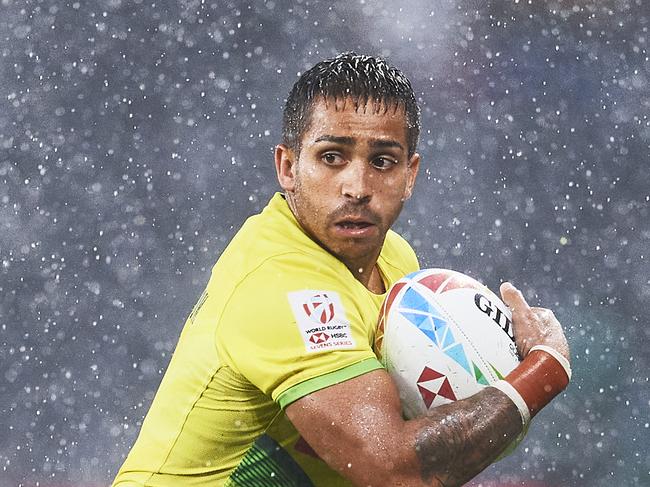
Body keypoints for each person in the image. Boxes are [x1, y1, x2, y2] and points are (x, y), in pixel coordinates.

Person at [112, 52, 571, 487]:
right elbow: (395, 472)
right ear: (288, 167)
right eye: (332, 156)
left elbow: (430, 457)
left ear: (410, 175)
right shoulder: (279, 283)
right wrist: (541, 372)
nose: (358, 187)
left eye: (382, 161)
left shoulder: (397, 262)